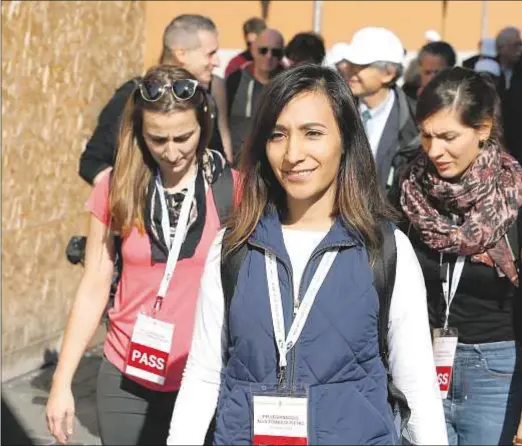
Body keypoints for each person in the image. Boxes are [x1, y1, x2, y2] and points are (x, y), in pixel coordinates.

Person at [166, 64, 447, 445]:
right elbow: (203, 375)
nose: (293, 154)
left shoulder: (386, 250)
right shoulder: (233, 245)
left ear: (346, 139)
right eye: (278, 135)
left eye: (312, 133)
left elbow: (417, 389)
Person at [45, 66, 238, 445]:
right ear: (139, 133)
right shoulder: (117, 188)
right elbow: (93, 286)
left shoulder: (232, 189)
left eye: (184, 137)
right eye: (157, 139)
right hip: (125, 375)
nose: (171, 151)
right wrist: (61, 381)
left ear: (204, 124)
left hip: (204, 378)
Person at [401, 67, 522, 445]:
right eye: (426, 135)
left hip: (496, 371)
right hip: (421, 365)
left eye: (448, 137)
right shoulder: (408, 191)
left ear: (483, 129)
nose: (434, 150)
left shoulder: (512, 197)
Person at [79, 14, 233, 186]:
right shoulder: (134, 97)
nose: (217, 61)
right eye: (210, 54)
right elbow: (92, 163)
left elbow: (219, 165)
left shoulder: (203, 100)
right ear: (181, 54)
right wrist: (129, 199)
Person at [343, 27, 419, 210]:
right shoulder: (336, 109)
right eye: (350, 63)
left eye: (360, 65)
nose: (350, 70)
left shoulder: (415, 121)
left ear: (388, 73)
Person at [226, 28, 285, 165]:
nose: (269, 56)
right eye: (263, 50)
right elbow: (223, 123)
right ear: (253, 50)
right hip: (238, 165)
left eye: (275, 52)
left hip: (275, 165)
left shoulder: (287, 83)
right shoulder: (235, 80)